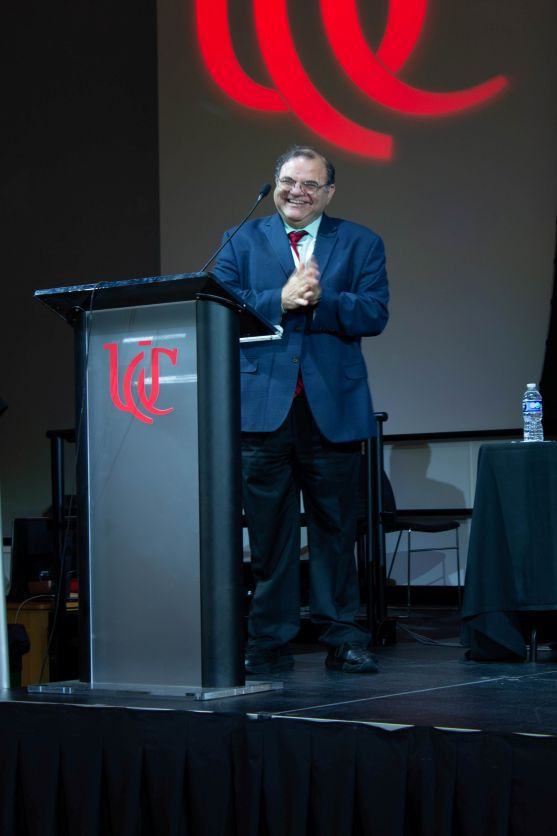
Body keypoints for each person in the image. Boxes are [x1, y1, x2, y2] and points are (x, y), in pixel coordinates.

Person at [213, 145, 389, 674]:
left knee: (337, 531)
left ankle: (344, 638)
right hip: (261, 408)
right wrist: (280, 300)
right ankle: (270, 639)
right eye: (290, 181)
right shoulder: (240, 240)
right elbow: (220, 304)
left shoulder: (360, 242)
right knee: (268, 533)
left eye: (311, 185)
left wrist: (321, 300)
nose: (298, 191)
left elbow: (375, 312)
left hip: (330, 407)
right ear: (275, 184)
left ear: (328, 193)